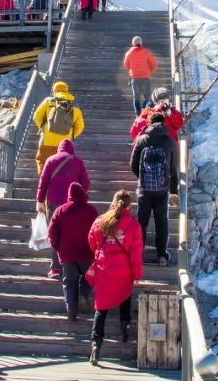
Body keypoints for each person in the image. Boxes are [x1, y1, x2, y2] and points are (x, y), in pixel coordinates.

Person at [87, 190, 143, 365]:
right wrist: (137, 274)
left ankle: (96, 344)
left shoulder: (101, 220)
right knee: (125, 297)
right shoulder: (133, 225)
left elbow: (91, 240)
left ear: (113, 202)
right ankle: (124, 328)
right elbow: (136, 253)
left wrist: (100, 251)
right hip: (124, 269)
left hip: (104, 268)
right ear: (129, 206)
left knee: (101, 308)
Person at [36, 139, 90, 278]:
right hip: (72, 204)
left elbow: (43, 182)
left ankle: (55, 268)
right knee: (71, 233)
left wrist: (40, 200)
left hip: (53, 203)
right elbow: (85, 183)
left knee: (55, 233)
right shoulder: (77, 161)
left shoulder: (50, 160)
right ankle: (70, 265)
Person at [130, 112, 179, 266]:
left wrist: (143, 178)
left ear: (149, 123)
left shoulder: (142, 139)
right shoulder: (170, 140)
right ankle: (162, 255)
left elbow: (133, 164)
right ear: (163, 123)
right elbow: (174, 165)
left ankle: (138, 253)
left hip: (144, 189)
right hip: (162, 189)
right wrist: (165, 179)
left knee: (141, 222)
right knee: (162, 222)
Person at [48, 182, 99, 321]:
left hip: (68, 255)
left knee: (69, 283)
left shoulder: (60, 210)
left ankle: (72, 311)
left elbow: (52, 232)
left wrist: (57, 247)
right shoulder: (91, 210)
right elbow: (99, 231)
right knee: (89, 278)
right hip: (87, 253)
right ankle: (83, 292)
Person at [32, 81, 85, 173]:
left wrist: (43, 128)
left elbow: (36, 117)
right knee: (64, 167)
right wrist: (70, 136)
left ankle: (45, 184)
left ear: (54, 91)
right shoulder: (75, 106)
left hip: (47, 141)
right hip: (64, 143)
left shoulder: (48, 102)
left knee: (42, 163)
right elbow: (80, 126)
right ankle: (60, 184)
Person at [123, 36, 158, 115]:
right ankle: (144, 110)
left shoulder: (129, 53)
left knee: (136, 98)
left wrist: (132, 69)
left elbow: (126, 65)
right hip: (145, 78)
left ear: (133, 44)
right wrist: (149, 72)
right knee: (147, 97)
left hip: (134, 78)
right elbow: (154, 64)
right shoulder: (146, 52)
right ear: (141, 43)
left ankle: (138, 114)